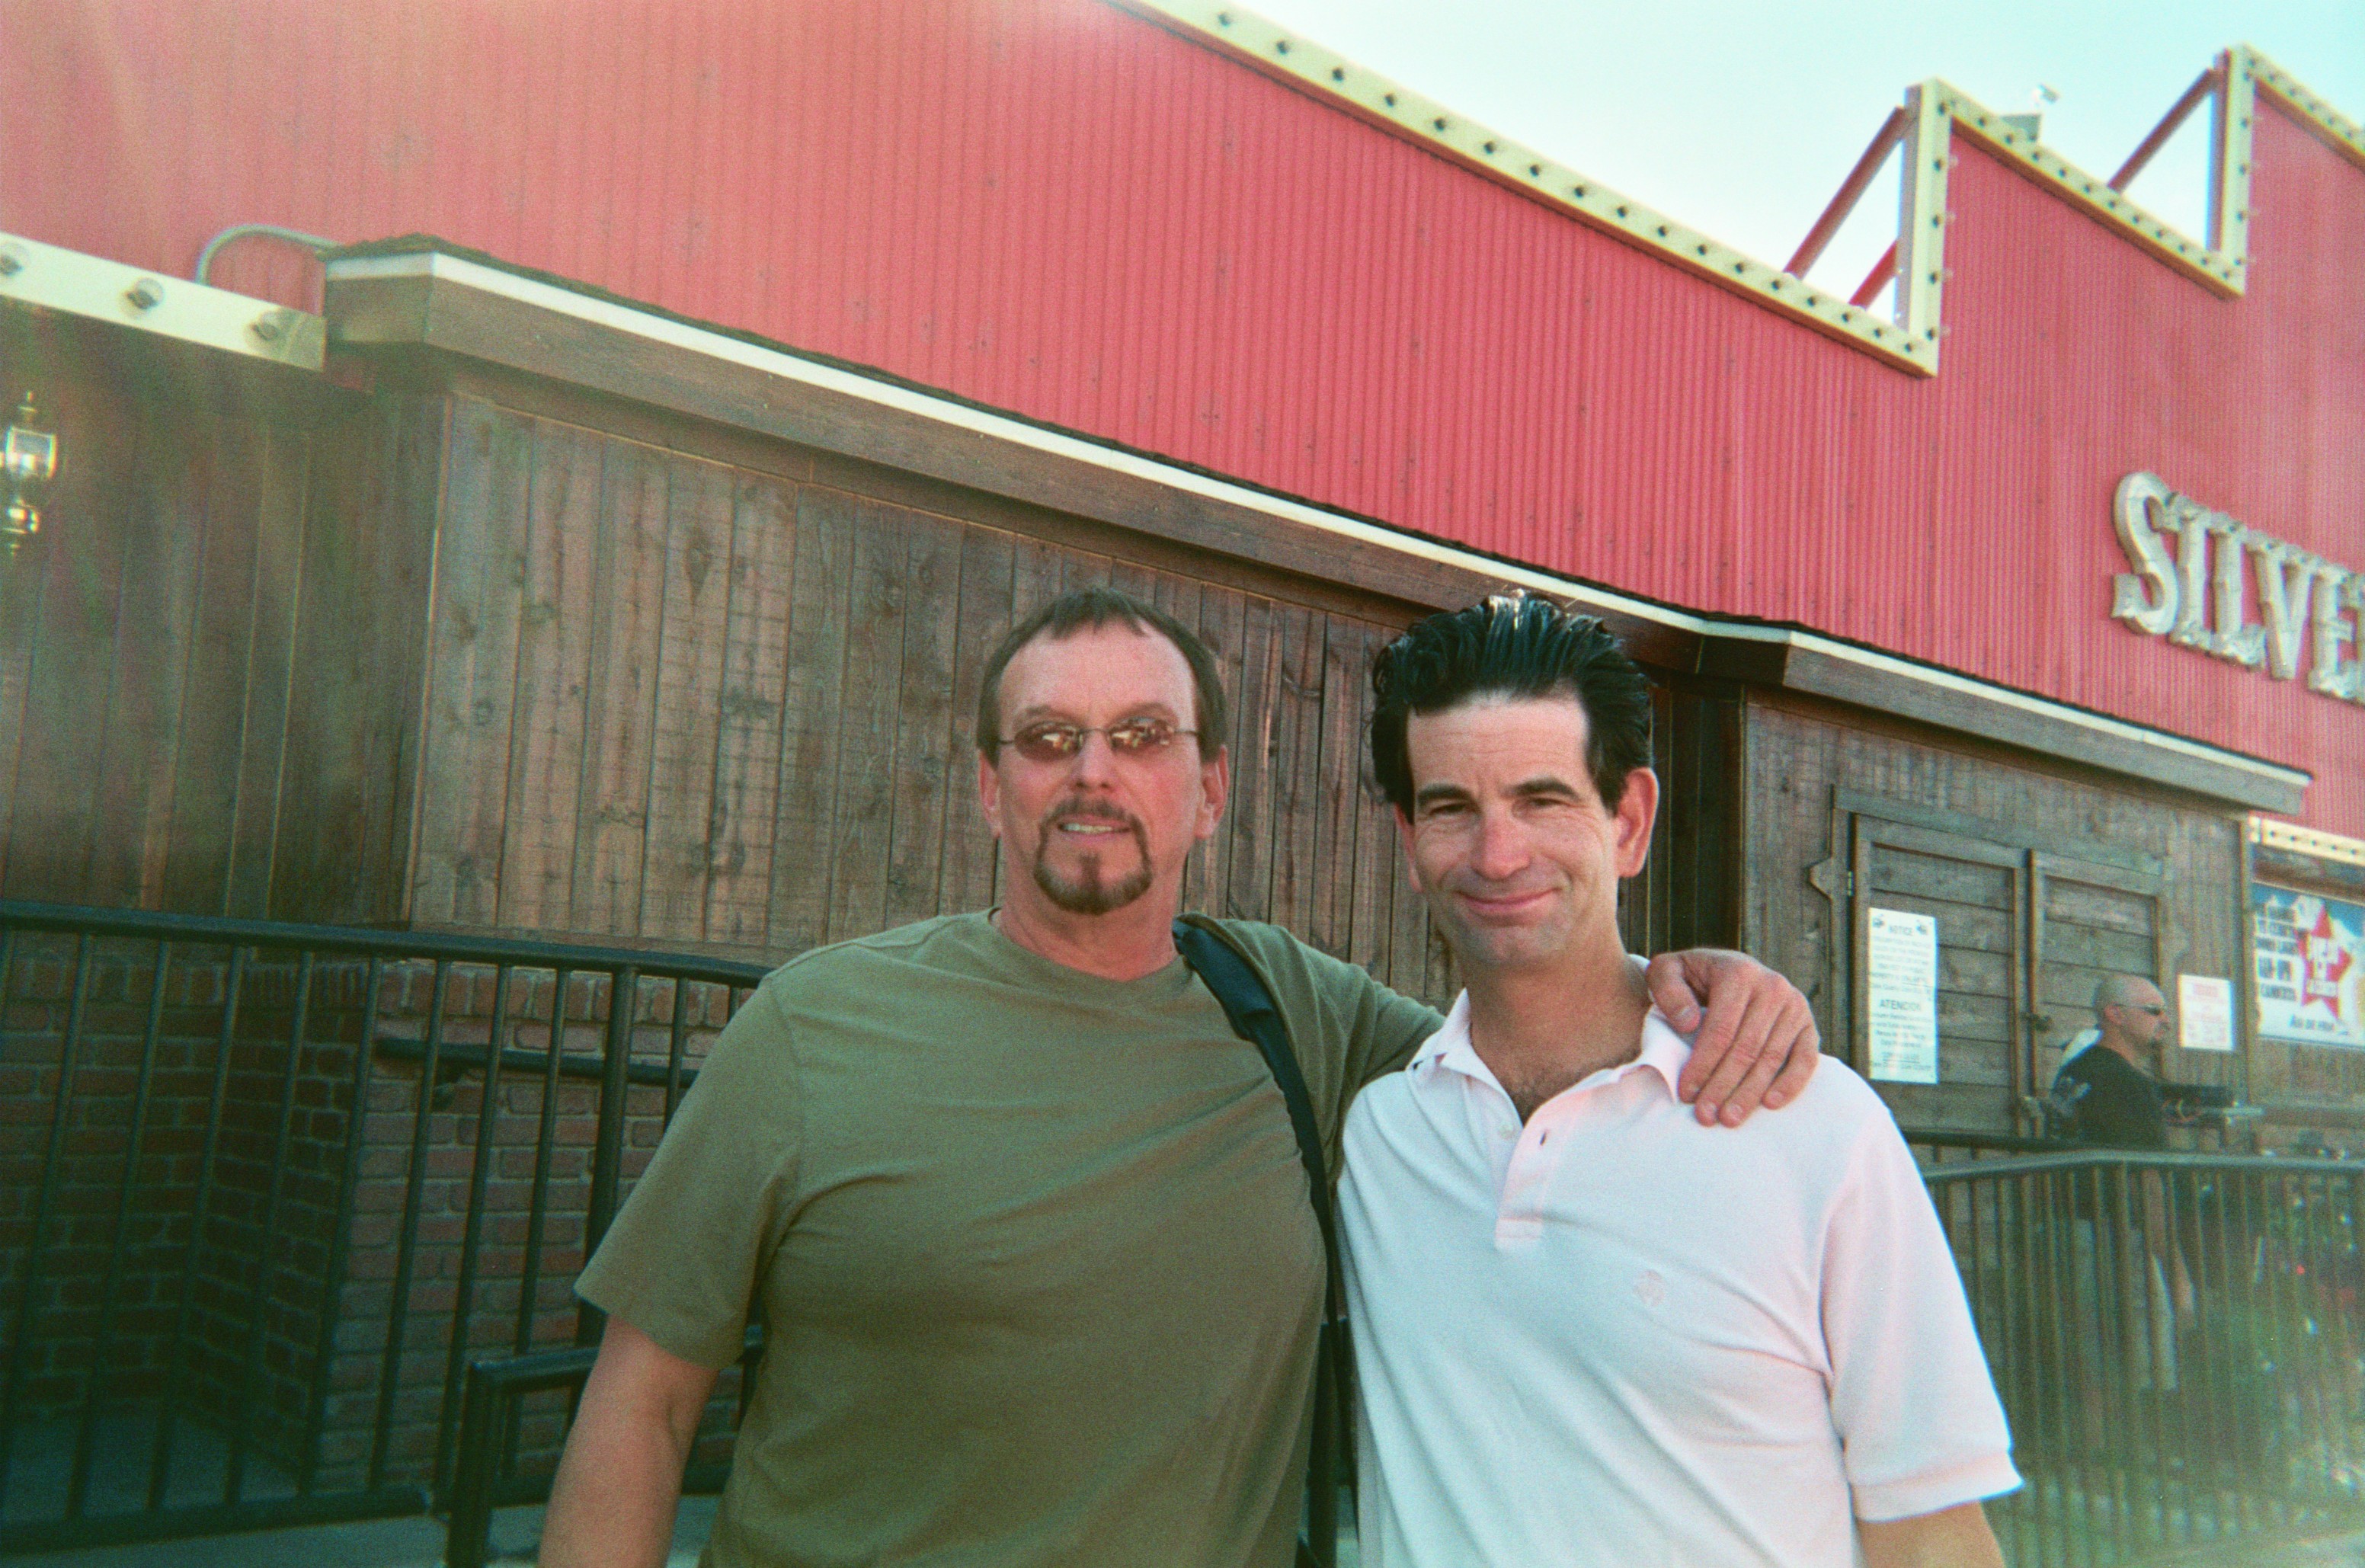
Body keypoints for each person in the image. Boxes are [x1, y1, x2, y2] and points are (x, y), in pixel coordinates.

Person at [538, 587, 1823, 1568]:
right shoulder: (812, 1027)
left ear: (1207, 789)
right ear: (990, 788)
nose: (1092, 770)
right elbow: (642, 1406)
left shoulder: (1286, 1014)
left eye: (1140, 734)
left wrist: (1691, 978)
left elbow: (1533, 1029)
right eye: (1048, 736)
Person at [1339, 595, 2018, 1568]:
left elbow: (1932, 1535)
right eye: (1452, 807)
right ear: (1408, 841)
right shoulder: (1381, 1132)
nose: (1497, 853)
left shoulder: (1812, 1126)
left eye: (1542, 799)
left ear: (1627, 820)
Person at [2047, 974, 2171, 1149]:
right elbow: (2149, 1172)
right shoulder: (2129, 1085)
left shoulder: (2073, 1070)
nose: (2166, 1021)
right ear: (2116, 1014)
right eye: (2154, 1010)